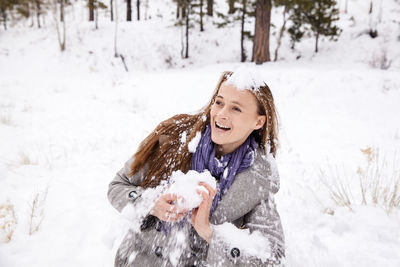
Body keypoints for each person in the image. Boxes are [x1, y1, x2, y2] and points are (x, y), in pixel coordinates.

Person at [107, 70, 285, 267]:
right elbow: (118, 185)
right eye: (219, 102)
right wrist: (150, 203)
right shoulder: (174, 139)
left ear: (258, 122)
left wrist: (209, 232)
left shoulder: (257, 178)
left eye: (236, 109)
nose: (221, 114)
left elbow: (272, 259)